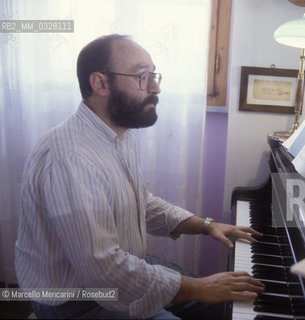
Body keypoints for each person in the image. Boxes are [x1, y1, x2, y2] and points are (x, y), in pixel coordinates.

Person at [15, 34, 264, 319]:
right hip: (77, 299)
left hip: (119, 270)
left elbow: (140, 203)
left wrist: (207, 226)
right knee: (211, 297)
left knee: (231, 303)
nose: (156, 87)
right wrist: (198, 287)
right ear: (100, 83)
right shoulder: (70, 159)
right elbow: (104, 270)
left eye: (154, 75)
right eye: (142, 77)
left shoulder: (119, 135)